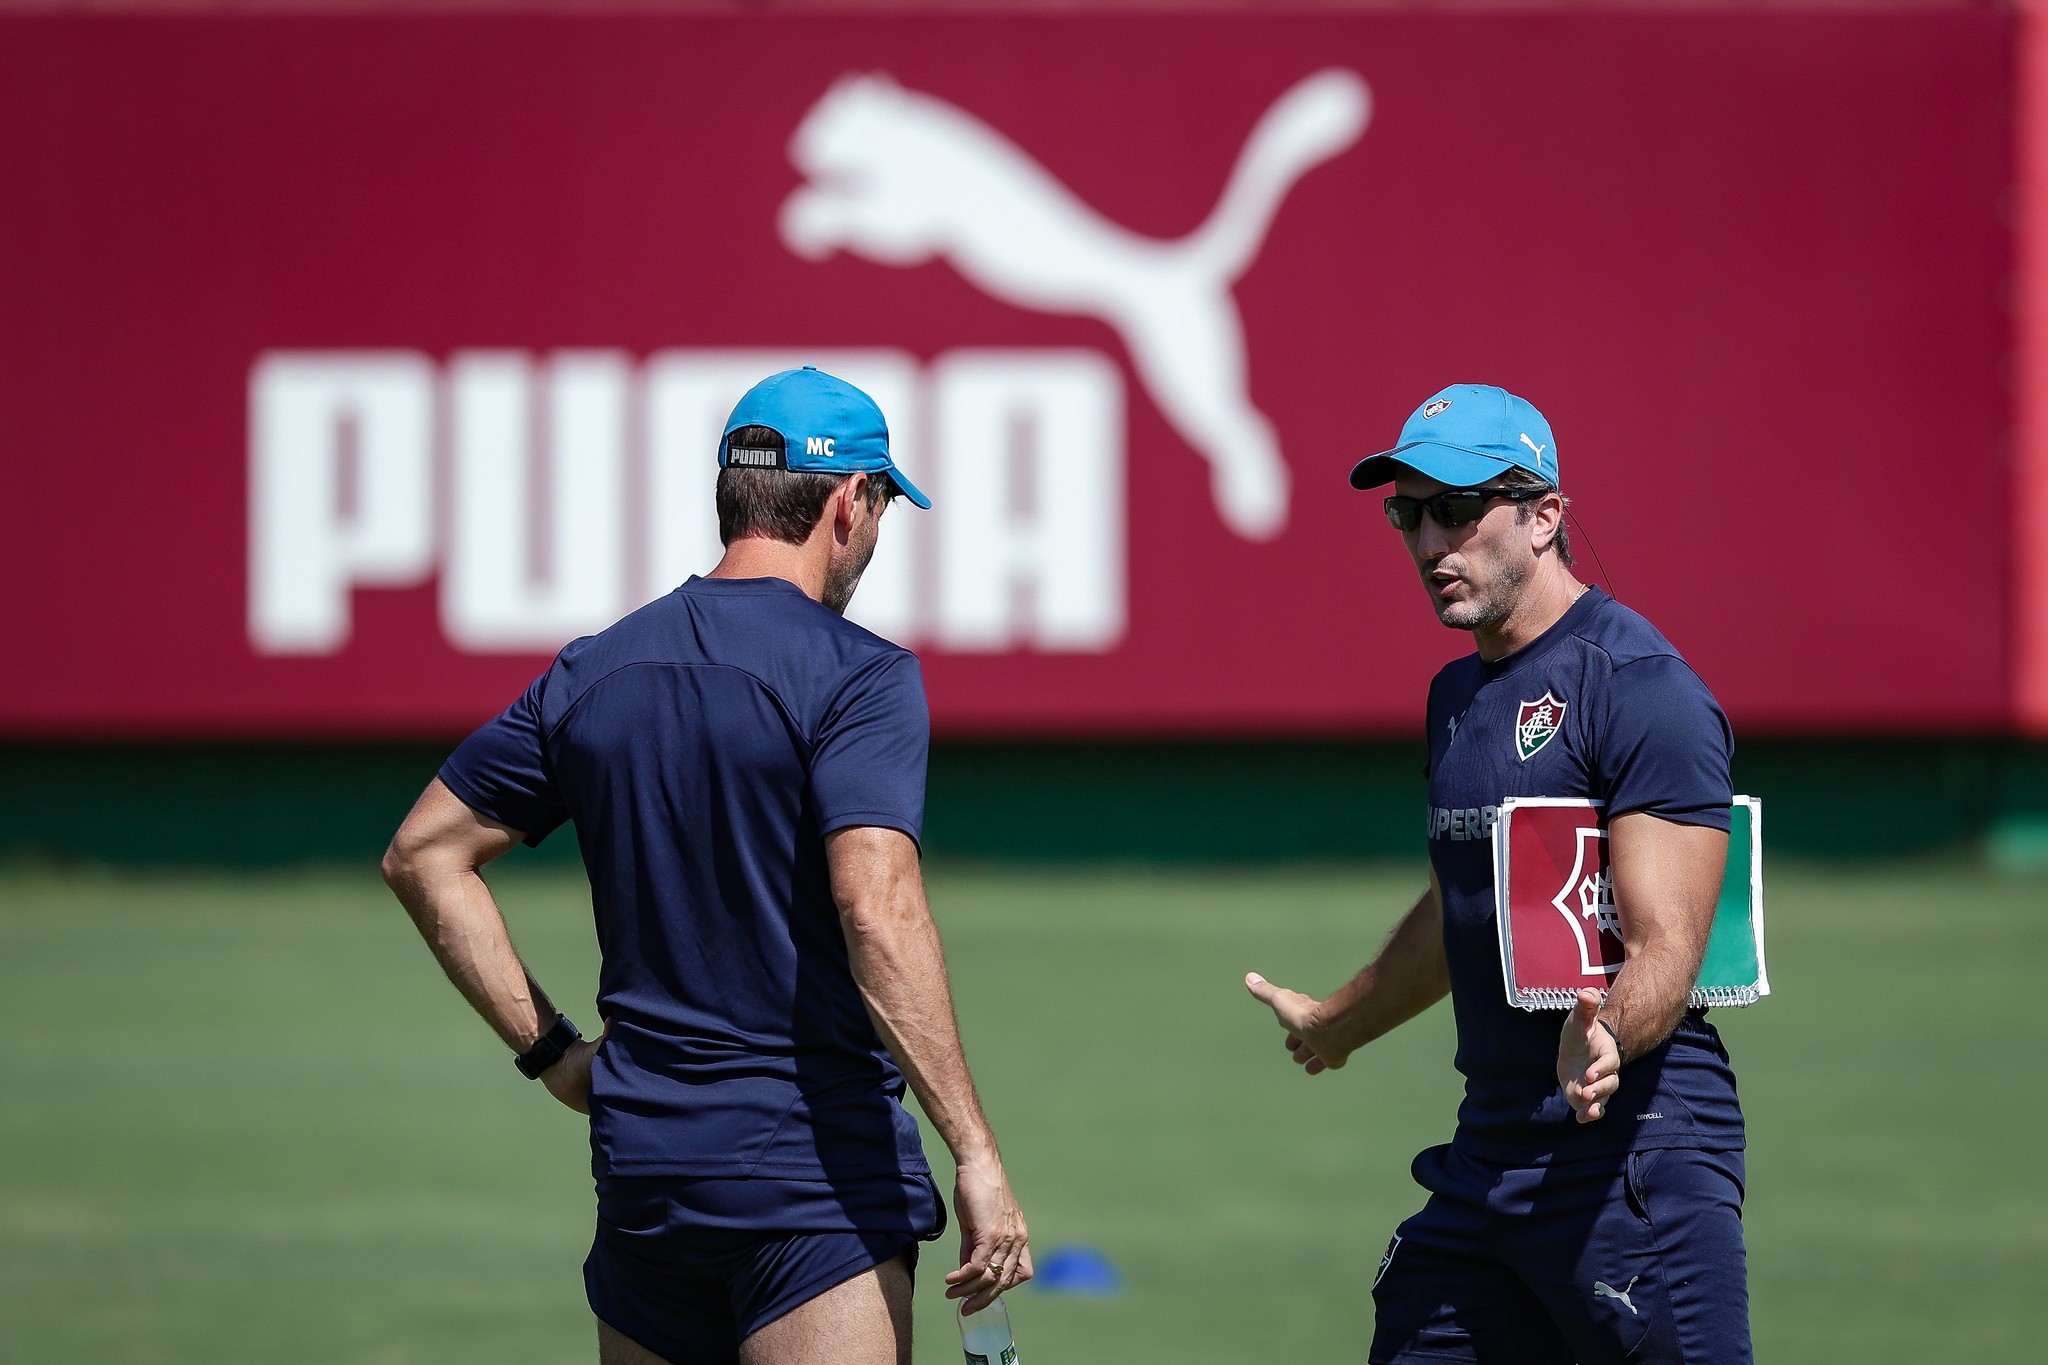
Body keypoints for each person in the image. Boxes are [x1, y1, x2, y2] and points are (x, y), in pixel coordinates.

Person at [381, 365, 1030, 1365]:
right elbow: (876, 912)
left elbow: (423, 854)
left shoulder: (593, 669)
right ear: (850, 501)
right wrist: (975, 1152)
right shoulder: (859, 676)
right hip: (812, 1186)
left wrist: (553, 1055)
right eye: (884, 506)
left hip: (645, 1184)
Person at [1244, 384, 1749, 1364]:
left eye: (1458, 509)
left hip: (1632, 1156)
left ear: (1543, 516)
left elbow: (1670, 941)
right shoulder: (1457, 694)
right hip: (1488, 1155)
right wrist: (1338, 1023)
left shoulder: (1641, 688)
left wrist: (1607, 1034)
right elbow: (1466, 905)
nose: (1430, 541)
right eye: (1408, 513)